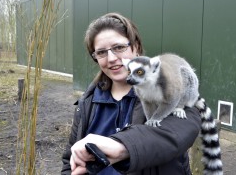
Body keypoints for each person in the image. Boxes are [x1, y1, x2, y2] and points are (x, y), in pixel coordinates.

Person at [61, 12, 201, 175]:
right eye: (101, 52)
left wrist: (122, 146)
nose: (111, 58)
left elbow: (181, 131)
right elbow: (69, 160)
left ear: (136, 47)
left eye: (119, 47)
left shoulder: (163, 86)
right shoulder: (87, 103)